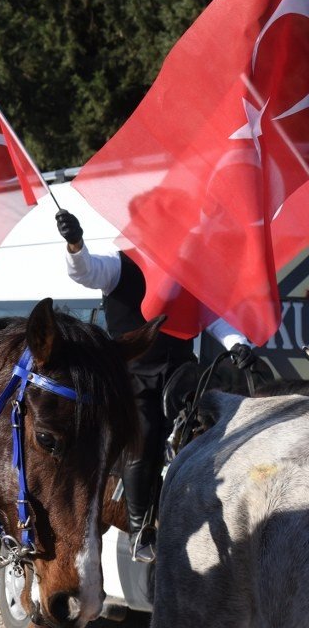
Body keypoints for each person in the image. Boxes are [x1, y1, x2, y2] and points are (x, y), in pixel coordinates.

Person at [55, 210, 254, 562]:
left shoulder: (190, 273)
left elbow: (211, 315)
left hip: (180, 374)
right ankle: (140, 528)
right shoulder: (122, 266)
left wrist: (238, 345)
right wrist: (75, 243)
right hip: (135, 375)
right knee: (143, 433)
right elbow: (84, 271)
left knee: (219, 424)